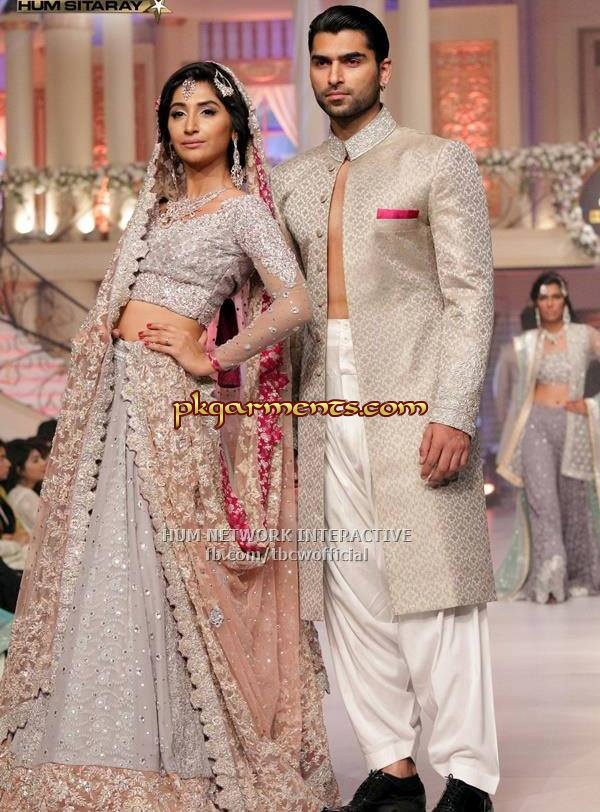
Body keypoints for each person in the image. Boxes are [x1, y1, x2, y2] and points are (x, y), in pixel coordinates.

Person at [0, 62, 338, 811]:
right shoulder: (154, 210)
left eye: (207, 110)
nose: (190, 124)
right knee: (100, 558)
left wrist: (212, 356)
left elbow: (297, 301)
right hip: (112, 395)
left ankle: (171, 752)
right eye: (178, 112)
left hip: (168, 398)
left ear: (234, 125)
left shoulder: (243, 211)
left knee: (161, 562)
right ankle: (89, 736)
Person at [270, 6, 498, 812]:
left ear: (383, 69)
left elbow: (470, 295)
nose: (335, 75)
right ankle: (391, 768)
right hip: (318, 396)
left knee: (437, 585)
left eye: (352, 60)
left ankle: (468, 776)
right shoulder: (292, 178)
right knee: (350, 584)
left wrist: (455, 409)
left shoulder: (435, 160)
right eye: (322, 61)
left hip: (413, 393)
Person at [495, 272, 600, 602]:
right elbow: (506, 392)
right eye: (544, 297)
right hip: (535, 426)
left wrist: (592, 406)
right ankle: (549, 578)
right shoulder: (525, 345)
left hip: (573, 425)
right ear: (535, 303)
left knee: (575, 503)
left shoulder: (584, 336)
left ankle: (580, 574)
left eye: (556, 296)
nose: (550, 303)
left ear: (565, 300)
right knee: (543, 503)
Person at [4, 439, 47, 535]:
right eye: (35, 460)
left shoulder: (17, 492)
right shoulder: (25, 496)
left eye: (41, 458)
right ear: (20, 470)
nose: (43, 463)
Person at [0, 441, 29, 573]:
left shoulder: (1, 493)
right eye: (1, 458)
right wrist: (14, 543)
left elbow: (21, 533)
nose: (8, 463)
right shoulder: (22, 495)